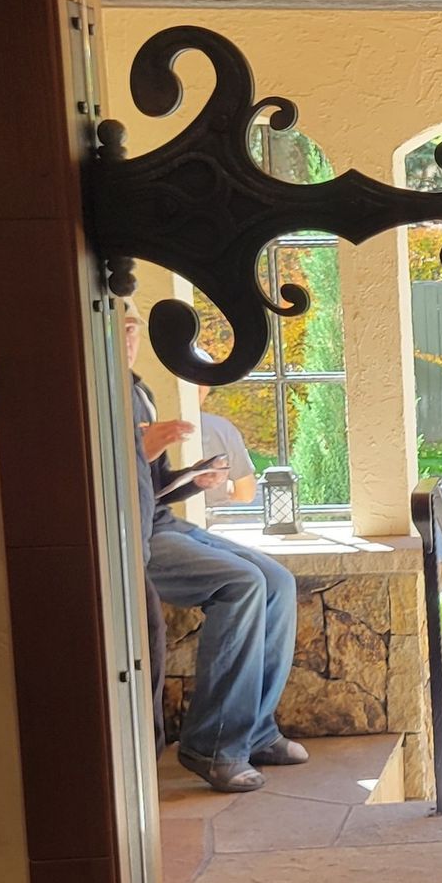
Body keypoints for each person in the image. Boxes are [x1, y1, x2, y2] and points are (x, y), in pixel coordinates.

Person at [124, 309, 307, 793]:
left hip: (160, 520)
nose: (128, 335)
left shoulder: (136, 388)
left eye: (133, 326)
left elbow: (151, 486)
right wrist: (135, 452)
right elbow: (87, 476)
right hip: (128, 536)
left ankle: (256, 730)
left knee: (278, 581)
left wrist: (190, 480)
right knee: (240, 584)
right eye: (118, 325)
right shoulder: (87, 390)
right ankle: (213, 745)